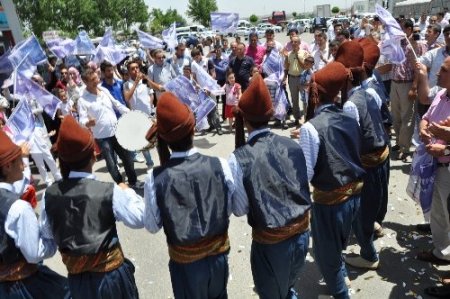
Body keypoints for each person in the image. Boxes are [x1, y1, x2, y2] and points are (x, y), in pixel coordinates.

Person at [143, 92, 235, 298]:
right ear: (193, 129)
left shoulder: (155, 177)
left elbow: (151, 225)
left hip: (185, 266)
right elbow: (228, 208)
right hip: (218, 258)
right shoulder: (219, 164)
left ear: (164, 139)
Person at [41, 115, 143, 299]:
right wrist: (127, 192)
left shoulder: (49, 196)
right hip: (111, 278)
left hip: (77, 281)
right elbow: (138, 219)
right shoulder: (109, 190)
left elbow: (47, 236)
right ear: (93, 156)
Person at [229, 74, 311, 298]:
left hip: (272, 245)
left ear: (244, 120)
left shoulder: (239, 157)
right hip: (303, 233)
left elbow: (239, 208)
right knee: (288, 286)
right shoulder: (291, 144)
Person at [299, 62, 365, 299]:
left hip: (330, 202)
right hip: (354, 197)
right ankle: (341, 278)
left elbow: (304, 175)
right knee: (336, 248)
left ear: (315, 93)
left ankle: (341, 292)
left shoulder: (310, 128)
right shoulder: (348, 116)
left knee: (325, 255)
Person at [335, 41, 389, 270]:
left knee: (361, 212)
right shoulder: (368, 91)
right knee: (374, 204)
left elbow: (350, 144)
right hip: (382, 157)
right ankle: (374, 228)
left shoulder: (351, 104)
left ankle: (368, 255)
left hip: (368, 164)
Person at [0, 130, 70, 298]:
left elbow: (16, 188)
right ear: (8, 166)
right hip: (21, 285)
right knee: (69, 292)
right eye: (20, 161)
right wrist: (52, 237)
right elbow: (34, 254)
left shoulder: (11, 201)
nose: (24, 166)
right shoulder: (19, 208)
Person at [77, 68, 142, 188]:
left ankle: (133, 182)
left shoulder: (104, 90)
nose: (96, 81)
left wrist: (130, 113)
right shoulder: (83, 100)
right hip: (102, 137)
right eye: (92, 80)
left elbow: (117, 104)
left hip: (117, 131)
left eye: (96, 77)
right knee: (111, 163)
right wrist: (87, 122)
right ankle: (121, 185)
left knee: (127, 158)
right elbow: (81, 119)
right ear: (85, 82)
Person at [282, 36, 309, 127]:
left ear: (299, 43)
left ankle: (306, 118)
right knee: (294, 100)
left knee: (305, 99)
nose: (293, 44)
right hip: (292, 78)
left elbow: (305, 66)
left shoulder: (304, 53)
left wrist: (297, 56)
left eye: (295, 42)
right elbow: (286, 67)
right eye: (292, 42)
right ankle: (297, 118)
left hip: (302, 78)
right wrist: (286, 58)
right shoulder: (289, 54)